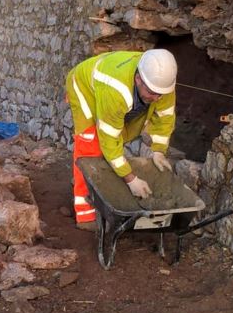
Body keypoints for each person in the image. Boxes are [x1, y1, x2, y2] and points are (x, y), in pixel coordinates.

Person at [65, 49, 177, 230]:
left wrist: (158, 150)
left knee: (118, 140)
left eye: (160, 94)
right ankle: (85, 214)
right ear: (138, 79)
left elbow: (165, 117)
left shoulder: (161, 82)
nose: (156, 98)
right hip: (84, 88)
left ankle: (97, 185)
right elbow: (109, 139)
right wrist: (131, 179)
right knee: (90, 146)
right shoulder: (116, 89)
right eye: (152, 93)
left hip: (110, 88)